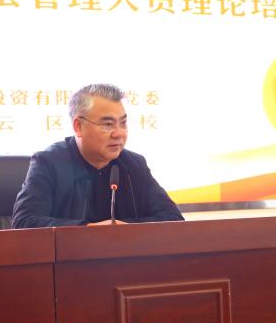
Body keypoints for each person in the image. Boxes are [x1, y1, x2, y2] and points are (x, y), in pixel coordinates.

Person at [11, 84, 184, 228]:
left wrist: (125, 229)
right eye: (108, 124)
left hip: (124, 257)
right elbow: (24, 222)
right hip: (70, 257)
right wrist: (89, 230)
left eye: (123, 123)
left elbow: (173, 218)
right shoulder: (49, 162)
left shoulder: (134, 164)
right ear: (78, 126)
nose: (119, 133)